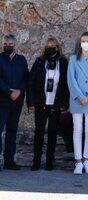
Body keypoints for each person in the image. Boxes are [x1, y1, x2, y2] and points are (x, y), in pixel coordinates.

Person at [27, 37, 69, 171]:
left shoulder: (63, 63)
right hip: (41, 103)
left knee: (52, 133)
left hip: (55, 105)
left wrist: (64, 103)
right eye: (48, 46)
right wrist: (30, 102)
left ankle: (50, 161)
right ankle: (36, 161)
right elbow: (30, 82)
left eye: (53, 46)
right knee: (39, 133)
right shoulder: (39, 62)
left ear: (57, 48)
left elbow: (67, 84)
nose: (51, 48)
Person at [67, 32, 88, 174]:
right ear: (80, 42)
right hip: (77, 98)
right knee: (77, 129)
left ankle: (87, 158)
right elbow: (71, 79)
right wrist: (80, 96)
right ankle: (78, 161)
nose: (86, 43)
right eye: (83, 40)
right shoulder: (74, 59)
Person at [0, 34, 28, 170]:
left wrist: (19, 91)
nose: (8, 46)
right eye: (6, 44)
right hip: (2, 102)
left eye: (10, 44)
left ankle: (9, 161)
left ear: (15, 45)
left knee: (12, 131)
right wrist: (9, 92)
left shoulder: (21, 60)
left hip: (16, 102)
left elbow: (25, 78)